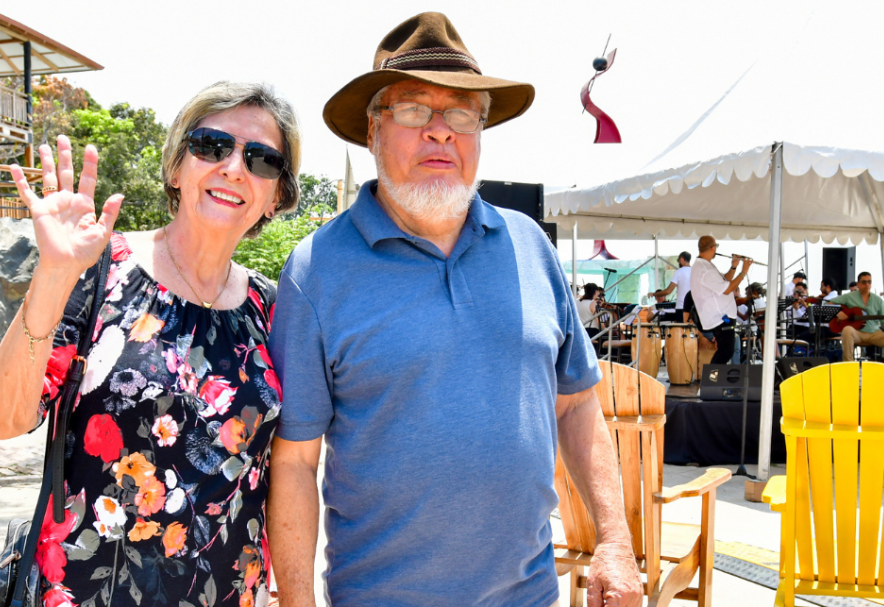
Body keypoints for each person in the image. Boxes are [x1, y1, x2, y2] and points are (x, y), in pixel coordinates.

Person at [266, 13, 641, 607]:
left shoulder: (530, 246)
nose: (441, 132)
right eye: (415, 110)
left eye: (463, 114)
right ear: (373, 131)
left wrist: (616, 541)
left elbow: (575, 406)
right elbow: (293, 462)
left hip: (529, 594)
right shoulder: (318, 269)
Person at [0, 82, 301, 607]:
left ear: (277, 194)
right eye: (212, 146)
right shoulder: (101, 269)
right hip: (88, 592)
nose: (235, 168)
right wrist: (54, 275)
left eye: (262, 160)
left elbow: (284, 474)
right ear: (176, 167)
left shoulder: (274, 309)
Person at [690, 236, 753, 365]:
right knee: (726, 351)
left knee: (725, 350)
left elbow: (724, 280)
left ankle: (712, 381)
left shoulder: (705, 265)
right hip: (720, 317)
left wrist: (734, 267)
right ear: (713, 248)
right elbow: (728, 289)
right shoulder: (705, 269)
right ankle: (711, 381)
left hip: (720, 316)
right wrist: (743, 272)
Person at [832, 272, 884, 361]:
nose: (867, 284)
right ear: (858, 284)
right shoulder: (848, 297)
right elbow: (826, 302)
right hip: (856, 332)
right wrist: (838, 312)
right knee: (847, 330)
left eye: (869, 282)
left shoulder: (878, 300)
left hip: (874, 333)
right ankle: (848, 366)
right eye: (864, 282)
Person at [651, 251, 692, 321]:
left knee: (681, 330)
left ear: (682, 259)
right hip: (693, 308)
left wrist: (654, 294)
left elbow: (668, 291)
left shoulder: (679, 272)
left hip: (681, 308)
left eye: (679, 261)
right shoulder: (695, 271)